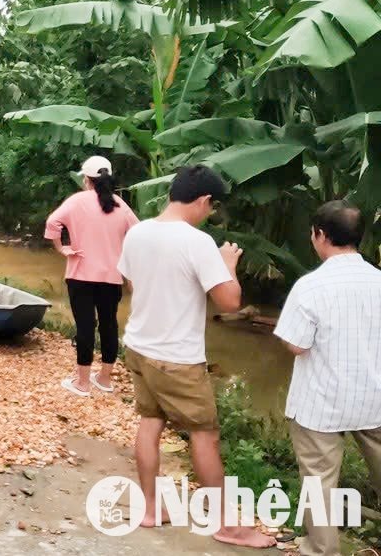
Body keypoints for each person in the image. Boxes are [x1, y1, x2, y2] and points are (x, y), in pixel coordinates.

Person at [117, 165, 274, 548]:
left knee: (150, 422)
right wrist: (228, 267)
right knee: (205, 434)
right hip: (177, 357)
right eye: (211, 206)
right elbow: (230, 301)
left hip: (138, 346)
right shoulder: (198, 242)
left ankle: (151, 509)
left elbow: (130, 282)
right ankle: (225, 524)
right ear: (204, 200)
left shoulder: (137, 232)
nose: (209, 213)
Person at [274, 201, 381, 556]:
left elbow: (296, 345)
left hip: (321, 403)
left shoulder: (311, 286)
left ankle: (322, 550)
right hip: (375, 399)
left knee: (319, 482)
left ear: (319, 235)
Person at [44, 155, 138, 397]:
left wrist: (61, 248)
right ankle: (104, 379)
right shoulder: (120, 205)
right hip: (112, 276)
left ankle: (83, 383)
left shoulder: (77, 201)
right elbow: (138, 233)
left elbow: (53, 222)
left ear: (87, 179)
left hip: (81, 274)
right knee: (109, 325)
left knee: (85, 325)